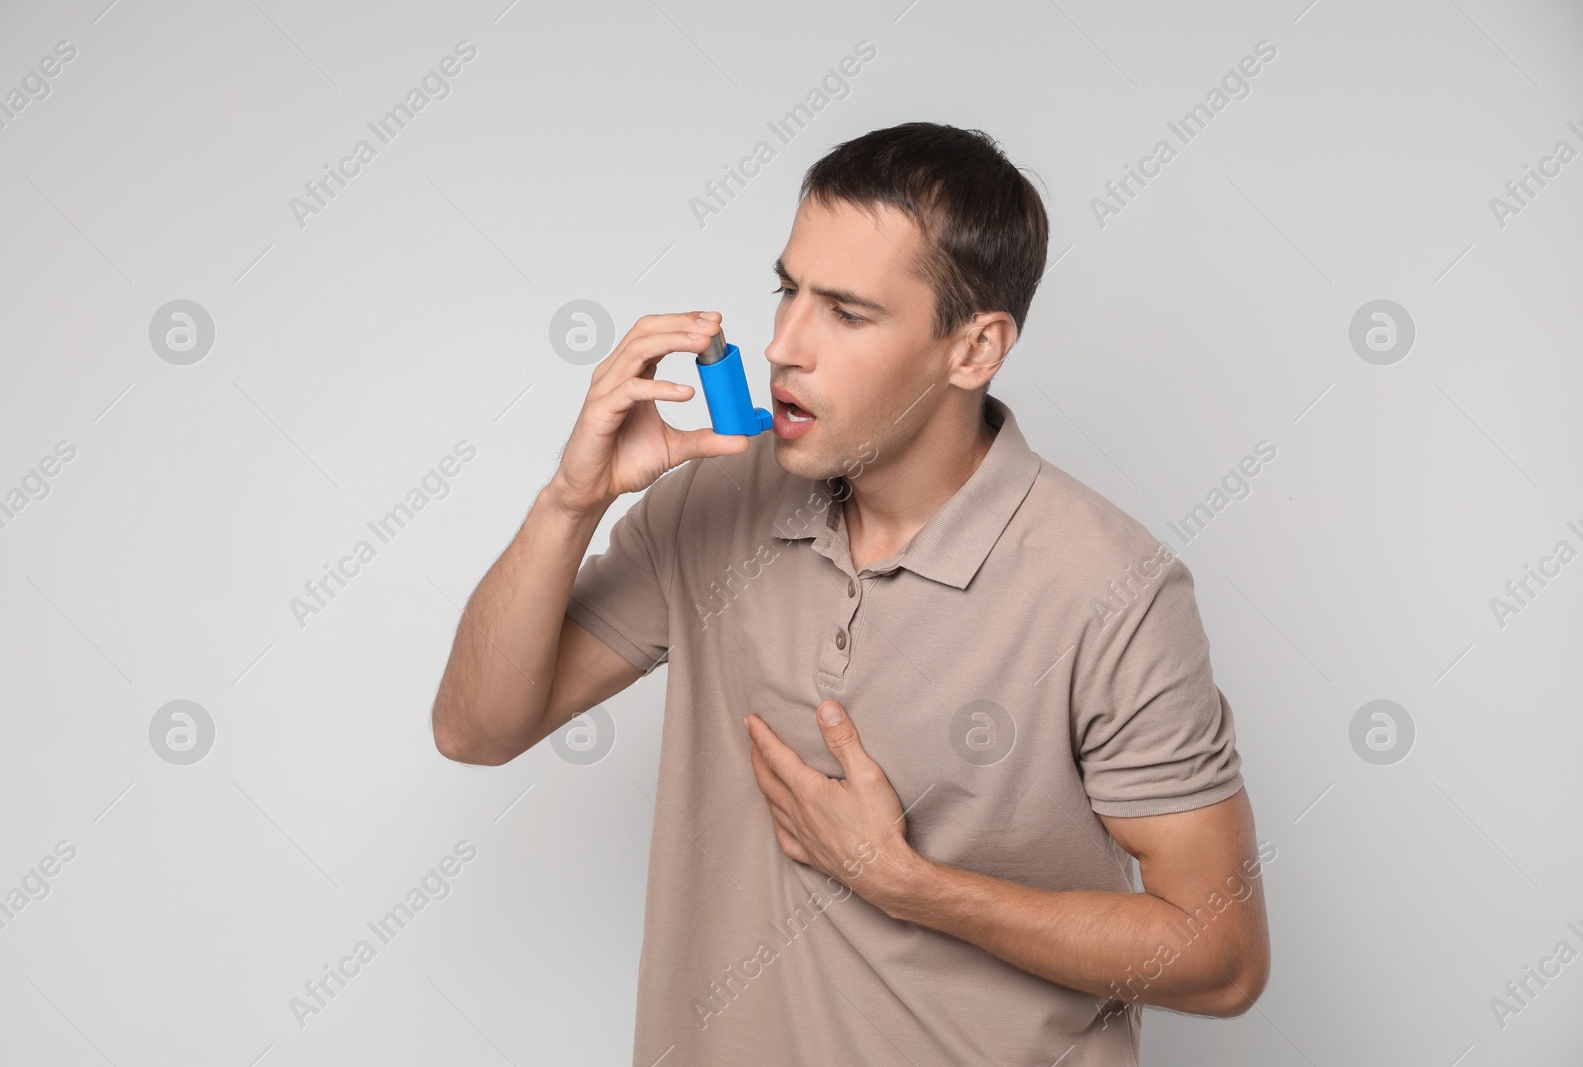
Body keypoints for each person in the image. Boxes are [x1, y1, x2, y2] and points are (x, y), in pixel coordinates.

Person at [431, 121, 1271, 1066]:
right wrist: (569, 500)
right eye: (788, 289)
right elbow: (476, 728)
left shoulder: (1112, 590)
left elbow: (1222, 955)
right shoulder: (718, 498)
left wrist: (909, 883)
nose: (785, 344)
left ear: (974, 349)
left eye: (847, 312)